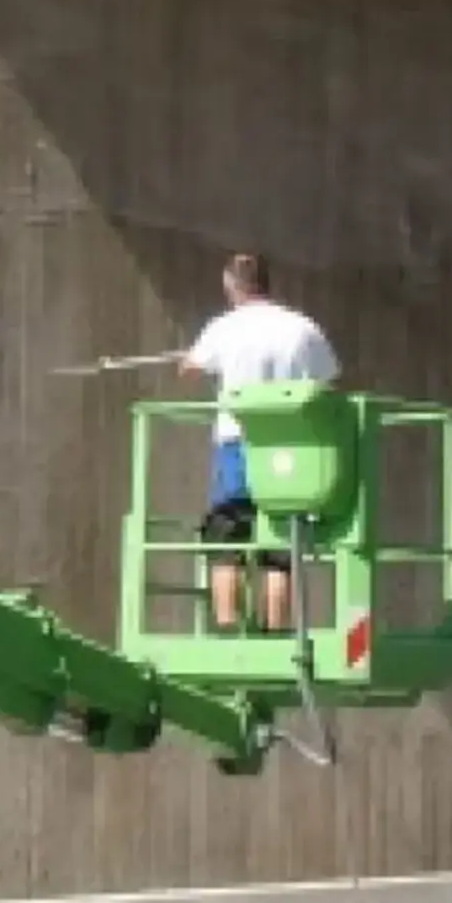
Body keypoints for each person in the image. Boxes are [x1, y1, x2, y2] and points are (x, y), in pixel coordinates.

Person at [178, 253, 340, 634]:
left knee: (228, 532)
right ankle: (276, 627)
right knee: (282, 535)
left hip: (239, 441)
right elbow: (329, 381)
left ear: (231, 287)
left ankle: (228, 625)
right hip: (291, 449)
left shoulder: (224, 328)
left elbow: (188, 371)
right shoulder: (303, 328)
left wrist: (191, 359)